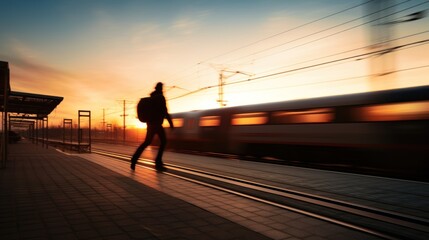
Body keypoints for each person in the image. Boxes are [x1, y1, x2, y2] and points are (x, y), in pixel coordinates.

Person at [131, 82, 174, 171]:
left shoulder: (152, 97)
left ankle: (134, 159)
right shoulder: (161, 98)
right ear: (161, 88)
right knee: (164, 141)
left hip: (150, 124)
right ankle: (158, 163)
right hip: (157, 124)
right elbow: (165, 111)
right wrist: (171, 123)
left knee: (147, 142)